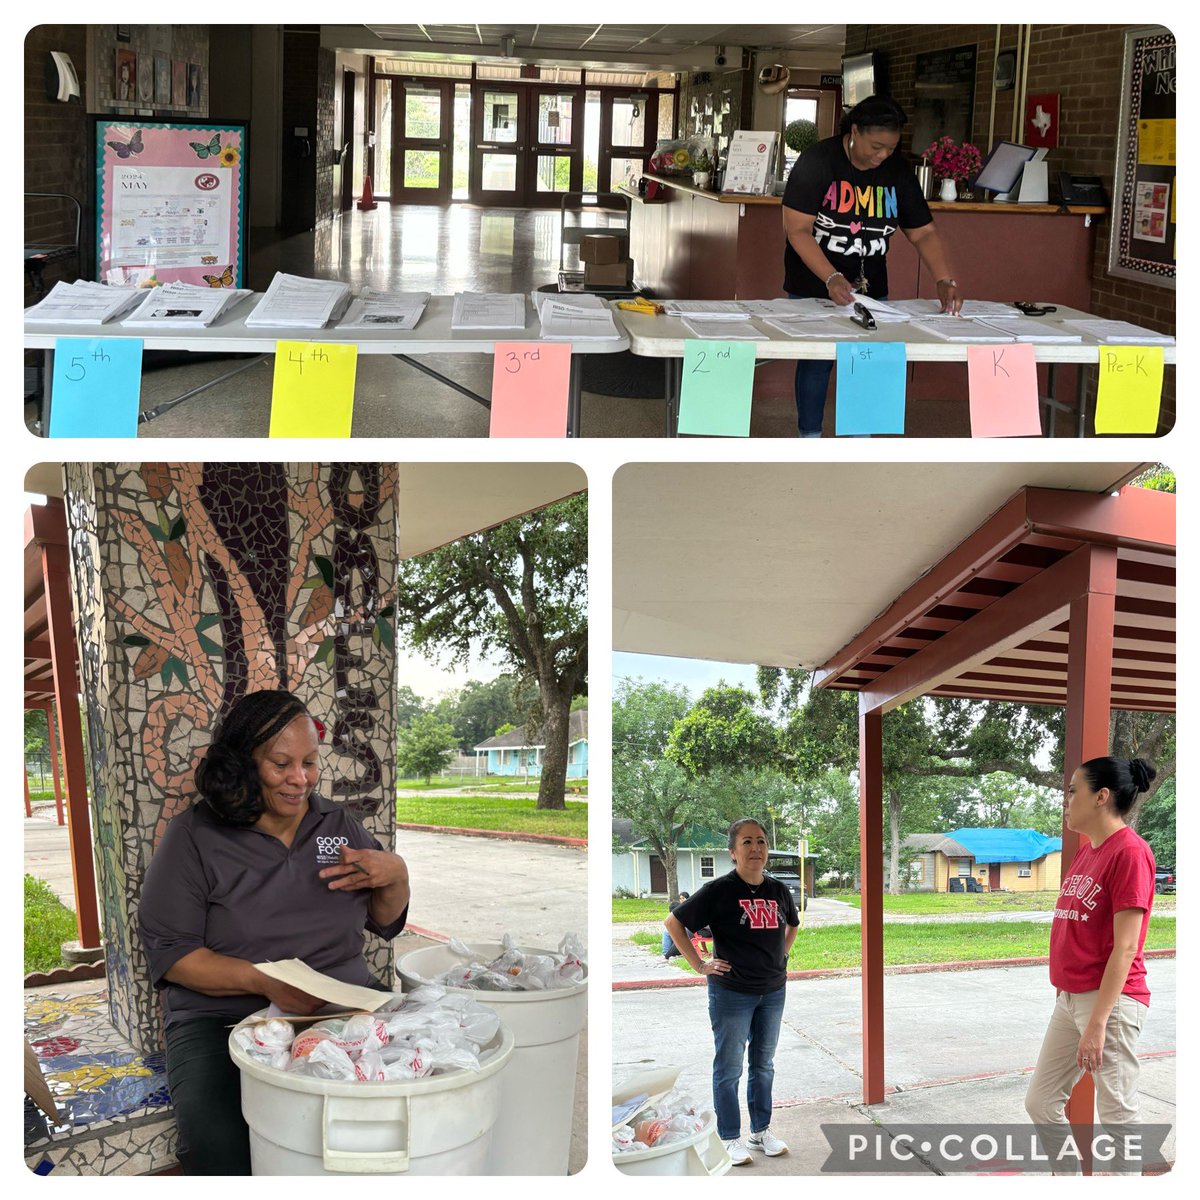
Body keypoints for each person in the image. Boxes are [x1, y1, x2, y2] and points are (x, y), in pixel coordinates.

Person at [139, 689, 410, 1175]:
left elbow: (385, 921)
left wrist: (397, 875)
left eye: (309, 762)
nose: (300, 779)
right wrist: (265, 981)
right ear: (243, 763)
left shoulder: (336, 824)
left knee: (395, 1110)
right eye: (281, 763)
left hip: (344, 1001)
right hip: (222, 1016)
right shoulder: (195, 836)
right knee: (217, 1143)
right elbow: (174, 954)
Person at [781, 95, 964, 436]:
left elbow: (923, 232)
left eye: (890, 149)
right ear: (855, 131)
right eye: (876, 146)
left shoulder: (897, 173)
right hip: (814, 281)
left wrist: (943, 278)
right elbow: (798, 229)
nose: (882, 156)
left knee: (866, 360)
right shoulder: (818, 161)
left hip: (869, 289)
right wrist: (831, 276)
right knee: (817, 360)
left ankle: (859, 441)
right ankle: (809, 439)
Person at [1024, 756, 1158, 1175]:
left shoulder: (1130, 854)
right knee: (1042, 1101)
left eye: (1072, 790)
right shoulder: (1088, 853)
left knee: (1118, 1119)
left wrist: (1098, 1023)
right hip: (1070, 1000)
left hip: (1110, 1005)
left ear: (1101, 797)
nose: (1065, 800)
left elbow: (1126, 949)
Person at [665, 819, 799, 1165]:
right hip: (731, 992)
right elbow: (673, 924)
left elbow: (793, 926)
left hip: (772, 991)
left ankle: (760, 1132)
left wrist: (781, 957)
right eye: (747, 842)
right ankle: (729, 1137)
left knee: (763, 1064)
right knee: (729, 1068)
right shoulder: (719, 890)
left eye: (761, 841)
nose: (756, 848)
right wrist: (700, 965)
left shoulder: (778, 890)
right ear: (733, 852)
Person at [662, 890, 691, 958]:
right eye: (680, 898)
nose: (681, 900)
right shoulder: (681, 907)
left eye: (683, 898)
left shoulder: (688, 907)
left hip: (688, 929)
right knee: (668, 931)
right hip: (686, 928)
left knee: (667, 932)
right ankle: (669, 952)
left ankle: (666, 952)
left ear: (687, 898)